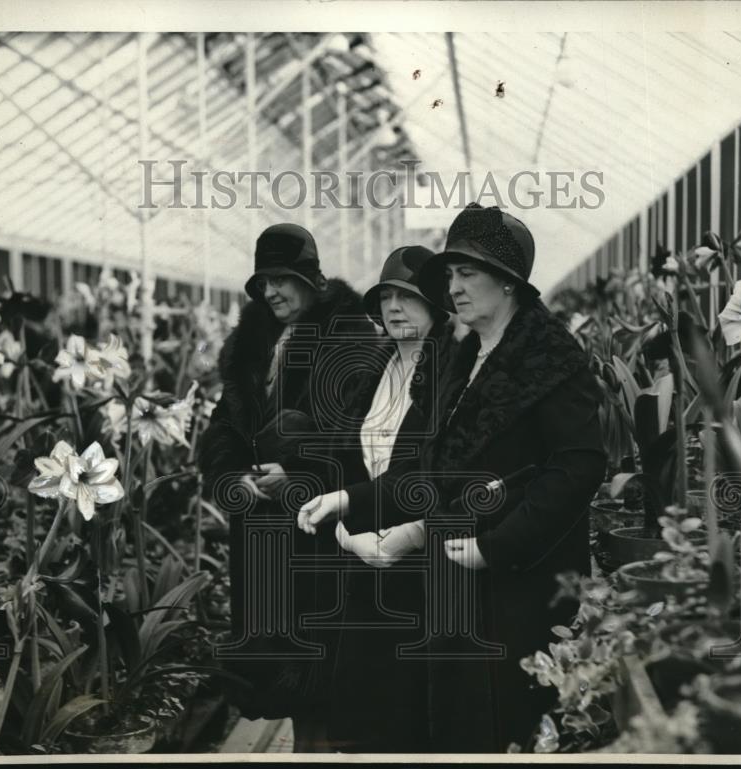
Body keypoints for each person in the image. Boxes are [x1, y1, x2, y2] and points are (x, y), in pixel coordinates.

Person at [299, 203, 607, 752]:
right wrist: (349, 499)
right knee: (462, 722)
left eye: (469, 273)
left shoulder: (550, 355)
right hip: (460, 576)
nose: (455, 287)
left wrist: (498, 546)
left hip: (521, 584)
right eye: (450, 274)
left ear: (509, 283)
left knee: (506, 719)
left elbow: (577, 466)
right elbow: (432, 470)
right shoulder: (467, 356)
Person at [199, 222, 374, 752]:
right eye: (263, 282)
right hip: (265, 532)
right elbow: (224, 424)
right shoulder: (250, 346)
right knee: (283, 665)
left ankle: (321, 747)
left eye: (282, 278)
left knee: (324, 661)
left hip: (322, 528)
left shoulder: (353, 338)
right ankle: (305, 746)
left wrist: (300, 479)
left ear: (311, 279)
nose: (271, 291)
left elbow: (367, 440)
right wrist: (231, 474)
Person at [296, 245, 452, 752]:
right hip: (362, 560)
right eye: (386, 295)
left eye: (408, 295)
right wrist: (347, 523)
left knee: (413, 715)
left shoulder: (453, 375)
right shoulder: (376, 368)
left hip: (424, 567)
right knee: (367, 710)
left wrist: (391, 528)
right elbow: (348, 457)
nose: (393, 305)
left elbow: (439, 473)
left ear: (437, 304)